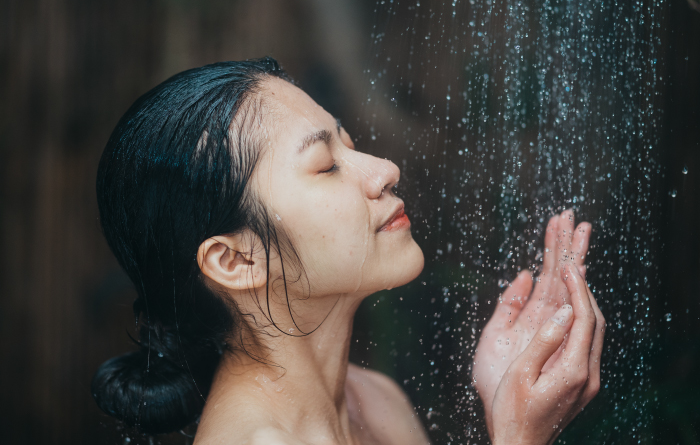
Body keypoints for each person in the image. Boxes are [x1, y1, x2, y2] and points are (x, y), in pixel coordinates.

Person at [93, 58, 605, 445]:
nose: (384, 169)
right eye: (325, 166)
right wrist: (518, 435)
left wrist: (505, 398)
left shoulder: (374, 399)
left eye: (350, 143)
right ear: (237, 261)